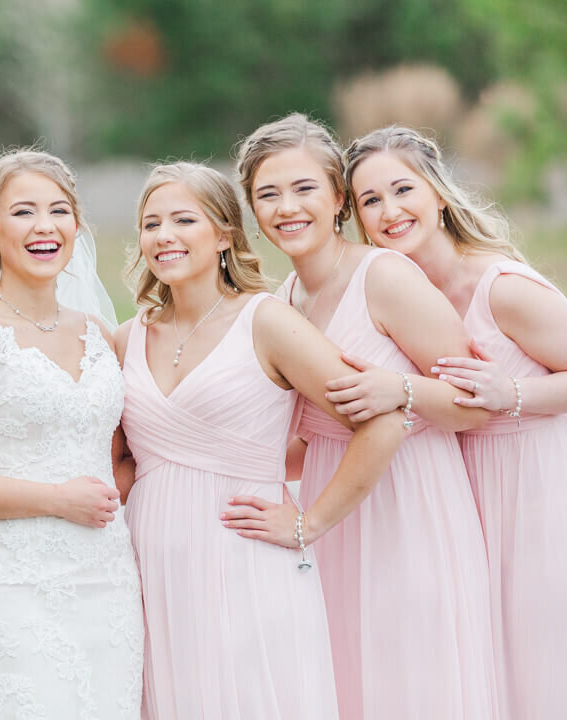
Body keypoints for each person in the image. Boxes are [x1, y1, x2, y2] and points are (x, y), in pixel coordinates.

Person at [344, 124, 567, 719]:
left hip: (536, 495)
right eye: (370, 201)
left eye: (403, 190)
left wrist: (511, 392)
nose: (390, 211)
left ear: (439, 194)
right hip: (462, 497)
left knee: (550, 665)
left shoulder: (500, 287)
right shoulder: (392, 294)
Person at [117, 161, 406, 719]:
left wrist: (310, 522)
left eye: (184, 220)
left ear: (224, 233)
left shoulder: (266, 321)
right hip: (150, 565)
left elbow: (382, 421)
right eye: (151, 225)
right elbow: (119, 462)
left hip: (245, 557)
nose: (164, 236)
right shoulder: (128, 338)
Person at [237, 114, 499, 719]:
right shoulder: (283, 302)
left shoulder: (383, 276)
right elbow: (310, 432)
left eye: (304, 189)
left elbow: (473, 407)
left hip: (411, 503)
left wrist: (401, 390)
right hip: (337, 509)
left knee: (413, 684)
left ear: (337, 198)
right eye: (268, 195)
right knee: (347, 686)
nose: (287, 208)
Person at [0, 148, 145, 719]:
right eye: (24, 212)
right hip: (7, 580)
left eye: (59, 211)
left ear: (76, 227)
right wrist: (57, 500)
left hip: (104, 575)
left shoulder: (99, 332)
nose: (45, 226)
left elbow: (120, 455)